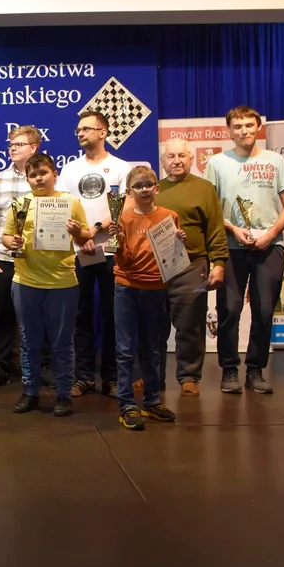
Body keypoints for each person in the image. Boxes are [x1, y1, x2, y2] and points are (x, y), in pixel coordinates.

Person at [204, 106, 284, 394]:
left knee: (264, 309)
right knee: (229, 309)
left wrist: (271, 234)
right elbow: (210, 209)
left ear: (258, 128)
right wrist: (233, 228)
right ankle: (229, 370)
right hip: (230, 247)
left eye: (248, 125)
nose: (244, 130)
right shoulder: (216, 163)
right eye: (237, 126)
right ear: (229, 131)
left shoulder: (275, 160)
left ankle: (255, 370)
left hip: (269, 246)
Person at [1, 153, 91, 416]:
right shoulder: (20, 204)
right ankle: (30, 392)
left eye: (44, 173)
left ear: (54, 174)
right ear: (27, 179)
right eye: (33, 175)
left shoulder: (70, 202)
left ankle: (63, 395)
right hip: (26, 281)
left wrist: (77, 232)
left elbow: (85, 236)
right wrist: (12, 242)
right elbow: (6, 236)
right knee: (29, 341)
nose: (39, 178)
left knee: (62, 343)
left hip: (62, 282)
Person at [55, 109, 131, 398]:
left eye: (86, 128)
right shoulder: (69, 170)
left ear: (103, 132)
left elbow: (125, 207)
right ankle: (83, 376)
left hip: (111, 250)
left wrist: (93, 232)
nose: (81, 133)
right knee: (80, 315)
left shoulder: (121, 167)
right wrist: (80, 236)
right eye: (78, 130)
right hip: (78, 251)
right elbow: (63, 206)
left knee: (113, 316)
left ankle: (112, 378)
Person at [111, 166, 182, 431]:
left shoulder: (169, 217)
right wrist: (119, 242)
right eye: (138, 186)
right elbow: (123, 261)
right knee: (125, 350)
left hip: (156, 289)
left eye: (148, 185)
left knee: (153, 349)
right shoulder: (123, 218)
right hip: (127, 287)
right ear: (129, 192)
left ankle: (152, 402)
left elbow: (173, 258)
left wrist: (179, 242)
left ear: (157, 188)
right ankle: (126, 405)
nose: (144, 190)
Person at [155, 139, 228, 397]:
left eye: (182, 156)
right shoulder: (153, 189)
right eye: (171, 156)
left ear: (191, 159)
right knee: (154, 326)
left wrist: (219, 263)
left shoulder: (204, 188)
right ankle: (152, 376)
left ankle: (189, 376)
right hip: (156, 267)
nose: (176, 161)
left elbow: (216, 228)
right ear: (163, 161)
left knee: (190, 325)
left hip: (192, 265)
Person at [0, 126, 39, 389]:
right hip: (2, 260)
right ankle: (0, 368)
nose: (13, 148)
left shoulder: (44, 179)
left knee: (38, 316)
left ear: (33, 148)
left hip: (37, 261)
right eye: (11, 144)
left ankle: (41, 368)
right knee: (1, 316)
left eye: (19, 144)